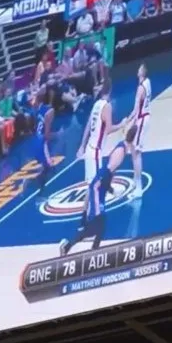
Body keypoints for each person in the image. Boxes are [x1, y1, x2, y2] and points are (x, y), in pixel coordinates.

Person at [59, 125, 138, 257]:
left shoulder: (123, 146)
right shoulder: (122, 151)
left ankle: (92, 251)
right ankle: (68, 245)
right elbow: (107, 172)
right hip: (98, 186)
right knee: (98, 223)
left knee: (101, 226)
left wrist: (110, 189)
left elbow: (109, 172)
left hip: (101, 185)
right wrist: (110, 189)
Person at [77, 77, 113, 186]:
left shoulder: (96, 104)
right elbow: (109, 129)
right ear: (110, 90)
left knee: (90, 185)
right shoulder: (107, 106)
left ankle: (86, 204)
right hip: (96, 152)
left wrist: (82, 146)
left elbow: (88, 126)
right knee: (97, 186)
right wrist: (122, 124)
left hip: (89, 148)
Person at [123, 63, 152, 199]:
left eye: (140, 68)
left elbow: (135, 111)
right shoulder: (148, 82)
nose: (138, 69)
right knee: (134, 150)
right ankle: (136, 180)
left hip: (141, 120)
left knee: (136, 153)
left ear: (142, 73)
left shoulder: (140, 88)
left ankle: (138, 187)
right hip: (145, 118)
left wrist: (127, 122)